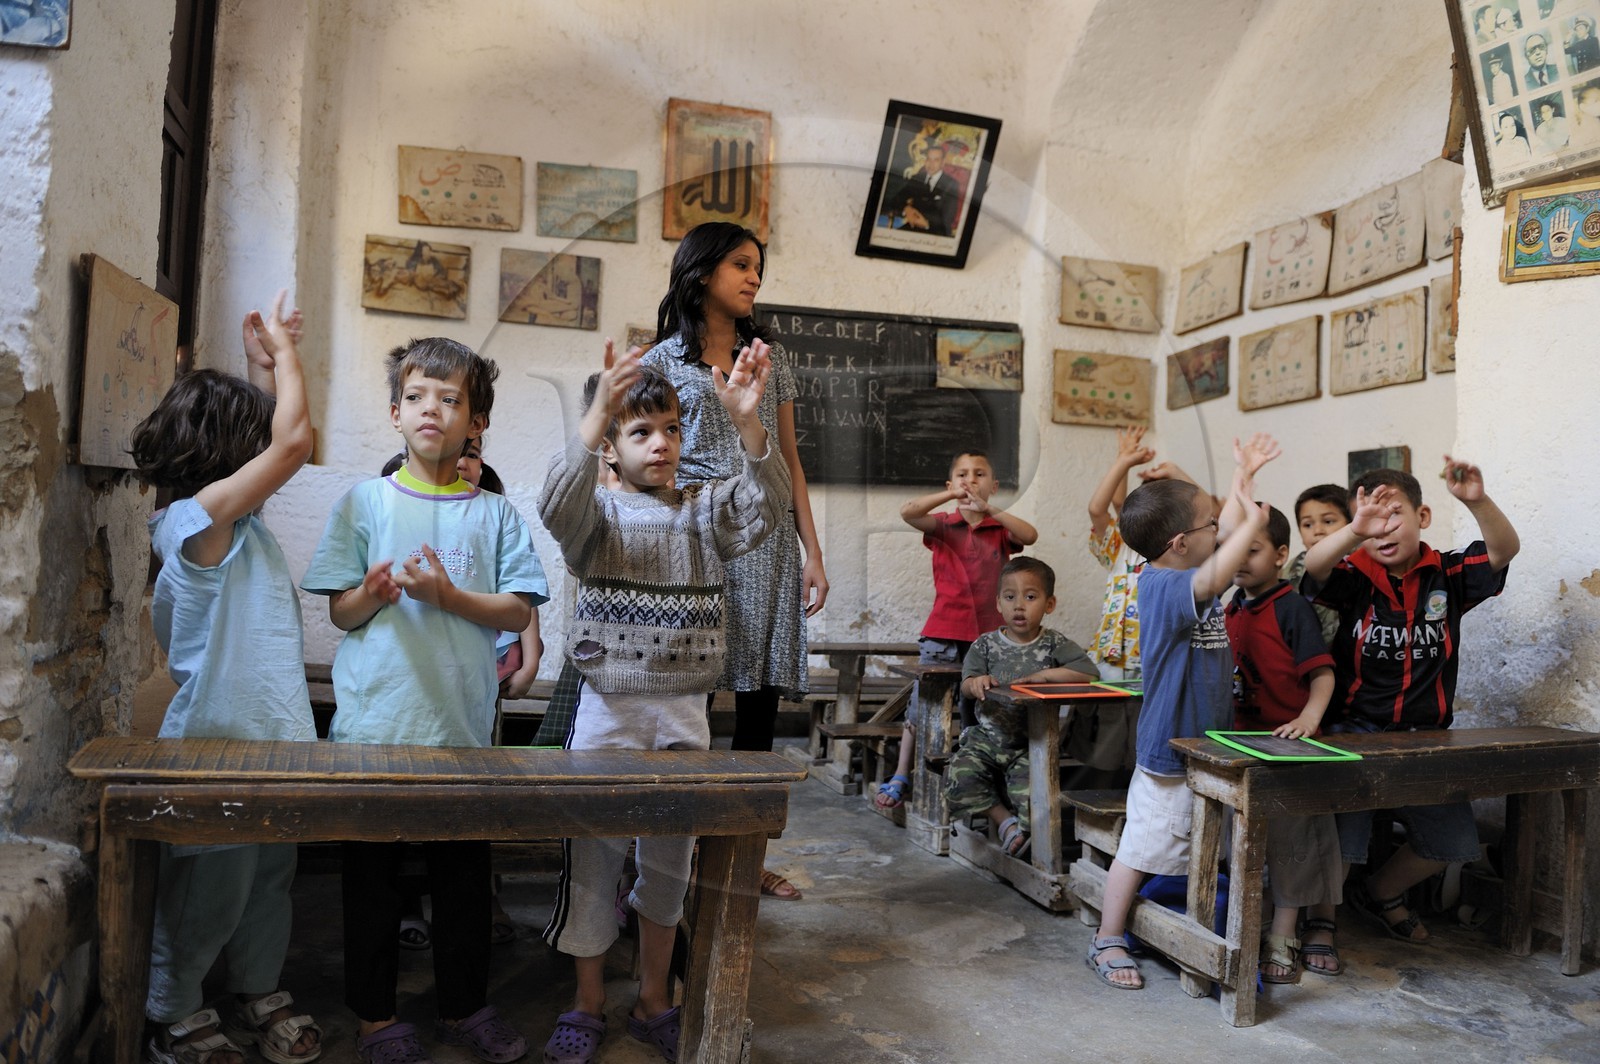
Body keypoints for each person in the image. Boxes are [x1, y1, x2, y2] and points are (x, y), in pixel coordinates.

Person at [537, 340, 790, 1064]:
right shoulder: (596, 518)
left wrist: (748, 425)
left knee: (669, 872)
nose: (662, 444)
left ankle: (655, 997)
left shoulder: (702, 511)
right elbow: (556, 498)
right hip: (608, 716)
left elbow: (765, 506)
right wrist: (592, 417)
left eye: (672, 429)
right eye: (641, 431)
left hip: (683, 717)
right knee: (592, 864)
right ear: (611, 449)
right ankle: (586, 1001)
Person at [303, 338, 546, 1064]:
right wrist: (369, 596)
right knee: (371, 882)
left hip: (463, 734)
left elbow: (514, 613)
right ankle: (375, 1018)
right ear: (394, 412)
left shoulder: (496, 516)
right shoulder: (364, 503)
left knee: (463, 879)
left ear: (477, 423)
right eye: (416, 397)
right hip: (373, 729)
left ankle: (464, 1006)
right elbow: (340, 615)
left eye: (450, 398)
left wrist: (446, 595)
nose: (430, 409)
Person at [129, 292, 323, 1064]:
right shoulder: (194, 523)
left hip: (271, 739)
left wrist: (261, 364)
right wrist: (291, 355)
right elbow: (293, 443)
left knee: (267, 884)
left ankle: (255, 989)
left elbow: (273, 438)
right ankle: (173, 1009)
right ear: (224, 458)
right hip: (217, 743)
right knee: (209, 893)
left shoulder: (232, 518)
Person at [640, 222, 827, 902]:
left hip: (768, 539)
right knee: (685, 697)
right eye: (741, 265)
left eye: (759, 268)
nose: (754, 278)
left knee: (755, 706)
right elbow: (646, 463)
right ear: (701, 273)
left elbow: (788, 460)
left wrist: (813, 553)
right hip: (693, 539)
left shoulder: (770, 360)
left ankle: (742, 858)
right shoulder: (659, 362)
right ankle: (673, 858)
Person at [1085, 434, 1278, 990]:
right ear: (1177, 543)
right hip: (1169, 749)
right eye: (1208, 526)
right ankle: (1107, 937)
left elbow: (1230, 530)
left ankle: (1183, 923)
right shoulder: (1163, 584)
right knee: (1142, 846)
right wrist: (1243, 520)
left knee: (1197, 843)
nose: (1217, 532)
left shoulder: (1183, 570)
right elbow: (1218, 571)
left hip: (1205, 745)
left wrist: (1244, 480)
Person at [1300, 462, 1517, 953]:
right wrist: (1353, 531)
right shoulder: (1354, 576)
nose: (1383, 528)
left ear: (1423, 514)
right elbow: (1314, 568)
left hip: (1426, 736)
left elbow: (1503, 551)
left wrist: (1477, 500)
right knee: (1346, 837)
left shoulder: (1448, 574)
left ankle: (1378, 892)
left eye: (1394, 514)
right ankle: (1321, 920)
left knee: (1451, 842)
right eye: (1370, 519)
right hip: (1352, 731)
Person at [878, 451, 1038, 810]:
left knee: (978, 713)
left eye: (979, 474)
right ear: (951, 485)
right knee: (923, 708)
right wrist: (952, 497)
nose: (971, 480)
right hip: (943, 631)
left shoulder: (1000, 530)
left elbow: (1030, 533)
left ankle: (972, 785)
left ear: (993, 486)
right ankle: (902, 774)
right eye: (962, 475)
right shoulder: (944, 525)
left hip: (988, 639)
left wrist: (988, 508)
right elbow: (908, 512)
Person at [1223, 504, 1342, 982]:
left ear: (1281, 555)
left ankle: (1283, 935)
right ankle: (1250, 924)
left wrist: (1308, 719)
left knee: (1294, 846)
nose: (1239, 560)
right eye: (1233, 550)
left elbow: (1322, 674)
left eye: (1251, 550)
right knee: (1248, 845)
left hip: (1287, 748)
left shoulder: (1291, 606)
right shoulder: (1230, 603)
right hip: (1240, 745)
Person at [945, 558, 1099, 857]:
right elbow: (965, 684)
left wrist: (1045, 675)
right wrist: (977, 682)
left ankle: (1030, 841)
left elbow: (1088, 672)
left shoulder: (1054, 644)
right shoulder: (985, 645)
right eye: (1010, 597)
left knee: (1037, 797)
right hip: (987, 738)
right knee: (960, 774)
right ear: (998, 604)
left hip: (1033, 743)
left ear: (1049, 604)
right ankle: (1005, 824)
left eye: (1030, 597)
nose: (1019, 606)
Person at [1086, 427, 1155, 680]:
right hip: (1111, 659)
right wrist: (1123, 460)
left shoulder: (1178, 553)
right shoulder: (1120, 546)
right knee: (1110, 719)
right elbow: (1099, 508)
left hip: (1154, 660)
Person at [1281, 483, 1350, 648]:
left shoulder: (1360, 566)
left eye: (1328, 521)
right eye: (1307, 525)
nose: (1317, 530)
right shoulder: (1291, 571)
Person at [886, 143, 961, 236]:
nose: (931, 164)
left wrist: (926, 223)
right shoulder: (917, 178)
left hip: (938, 231)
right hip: (913, 227)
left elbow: (947, 218)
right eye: (928, 159)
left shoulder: (951, 184)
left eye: (936, 160)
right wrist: (907, 209)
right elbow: (895, 200)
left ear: (943, 162)